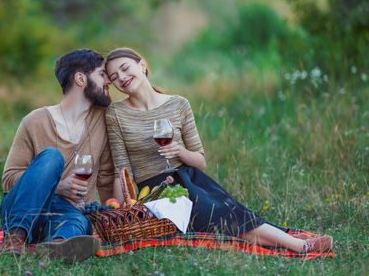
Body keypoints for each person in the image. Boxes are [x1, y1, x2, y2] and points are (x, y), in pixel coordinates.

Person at [104, 47, 333, 254]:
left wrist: (179, 151)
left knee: (229, 210)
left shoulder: (179, 104)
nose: (122, 78)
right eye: (114, 77)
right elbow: (121, 169)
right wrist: (122, 210)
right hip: (156, 191)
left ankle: (292, 242)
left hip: (191, 179)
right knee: (218, 213)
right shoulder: (116, 114)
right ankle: (299, 246)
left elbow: (200, 161)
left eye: (125, 68)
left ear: (142, 64)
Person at [0, 49, 115, 263]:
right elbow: (8, 180)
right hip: (23, 210)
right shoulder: (34, 121)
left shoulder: (104, 121)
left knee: (77, 223)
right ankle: (14, 238)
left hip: (67, 211)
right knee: (52, 157)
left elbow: (107, 177)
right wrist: (57, 185)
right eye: (101, 74)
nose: (108, 80)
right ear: (81, 78)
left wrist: (115, 215)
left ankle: (59, 245)